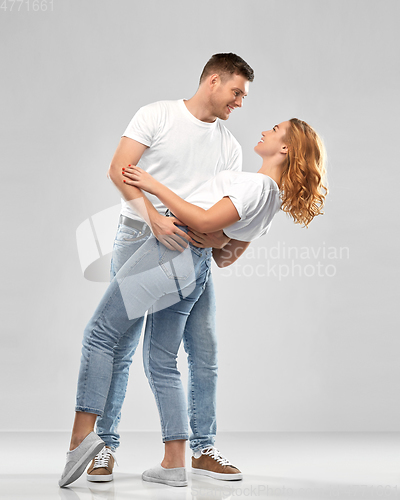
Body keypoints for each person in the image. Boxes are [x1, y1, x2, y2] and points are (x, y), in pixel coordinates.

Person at [59, 117, 327, 488]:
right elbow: (224, 254)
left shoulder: (255, 184)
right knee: (161, 359)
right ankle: (173, 463)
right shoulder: (271, 197)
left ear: (285, 148)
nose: (265, 128)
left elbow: (201, 218)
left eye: (276, 129)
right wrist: (212, 238)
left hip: (168, 250)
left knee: (100, 334)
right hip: (192, 266)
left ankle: (81, 440)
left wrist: (153, 185)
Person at [60, 53, 255, 488]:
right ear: (213, 80)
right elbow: (119, 170)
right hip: (138, 240)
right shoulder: (158, 115)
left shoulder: (229, 146)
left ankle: (200, 450)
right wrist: (153, 218)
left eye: (243, 95)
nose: (239, 102)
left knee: (203, 351)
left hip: (188, 252)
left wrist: (215, 239)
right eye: (236, 92)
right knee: (120, 345)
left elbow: (223, 210)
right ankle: (103, 446)